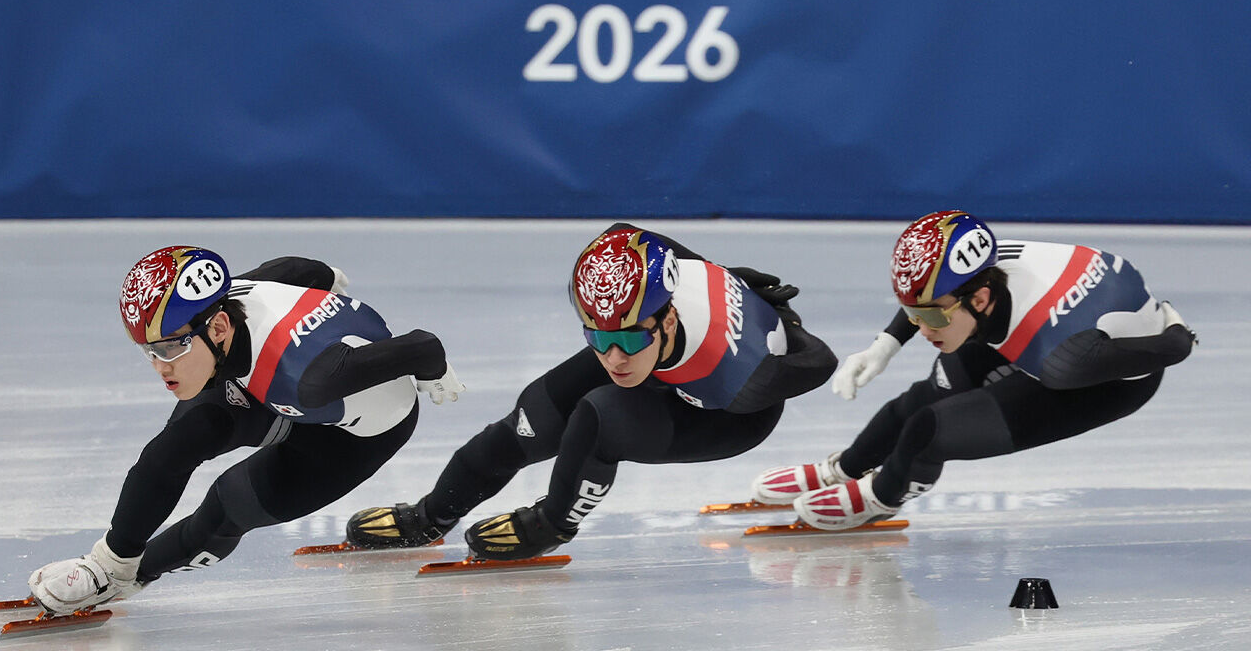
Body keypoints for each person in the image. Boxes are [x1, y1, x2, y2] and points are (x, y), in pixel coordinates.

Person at [346, 224, 837, 560]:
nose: (614, 358)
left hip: (724, 414)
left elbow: (820, 362)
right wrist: (714, 277)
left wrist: (789, 325)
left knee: (597, 417)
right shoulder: (633, 292)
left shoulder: (738, 377)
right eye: (598, 338)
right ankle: (430, 516)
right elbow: (624, 234)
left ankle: (550, 524)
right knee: (531, 417)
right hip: (667, 359)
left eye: (626, 339)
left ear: (669, 316)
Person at [26, 246, 463, 615]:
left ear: (217, 327)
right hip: (268, 383)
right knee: (175, 447)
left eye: (170, 347)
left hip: (349, 435)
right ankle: (108, 568)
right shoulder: (229, 299)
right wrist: (327, 278)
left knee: (228, 505)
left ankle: (135, 575)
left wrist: (433, 369)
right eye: (147, 351)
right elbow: (298, 270)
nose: (161, 366)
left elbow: (424, 343)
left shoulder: (310, 376)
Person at [751, 210, 1196, 529]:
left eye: (933, 317)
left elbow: (1175, 348)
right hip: (1049, 325)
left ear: (980, 299)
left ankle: (879, 498)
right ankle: (844, 468)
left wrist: (1173, 323)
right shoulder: (977, 273)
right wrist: (884, 346)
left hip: (1106, 376)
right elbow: (928, 299)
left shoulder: (1063, 357)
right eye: (913, 314)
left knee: (928, 431)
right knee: (917, 400)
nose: (923, 327)